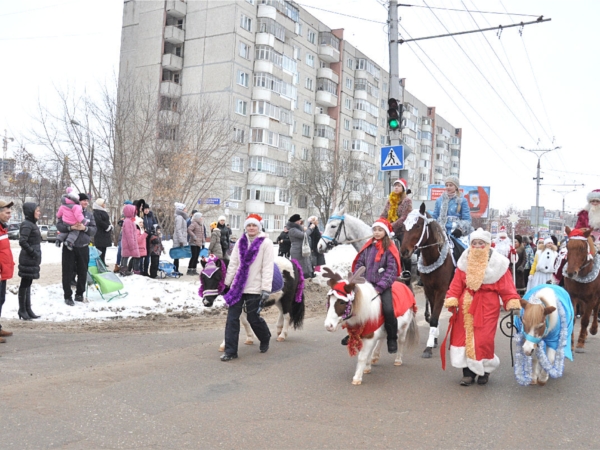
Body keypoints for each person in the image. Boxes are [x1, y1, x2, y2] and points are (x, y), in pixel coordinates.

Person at [443, 228, 521, 386]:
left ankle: (485, 370)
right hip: (466, 305)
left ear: (487, 244)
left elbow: (506, 286)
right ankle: (468, 373)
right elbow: (457, 284)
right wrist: (452, 297)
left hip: (488, 306)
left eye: (481, 243)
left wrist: (511, 300)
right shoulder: (464, 261)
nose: (477, 246)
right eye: (474, 243)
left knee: (484, 339)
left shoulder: (499, 264)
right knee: (463, 338)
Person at [221, 213, 273, 361]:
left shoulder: (266, 243)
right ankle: (230, 351)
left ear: (259, 227)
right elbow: (233, 264)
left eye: (254, 225)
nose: (251, 228)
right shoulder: (240, 242)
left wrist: (265, 288)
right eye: (249, 225)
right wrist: (226, 284)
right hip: (237, 287)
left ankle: (265, 337)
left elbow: (267, 267)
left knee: (252, 317)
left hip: (255, 287)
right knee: (232, 318)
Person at [352, 218, 402, 353]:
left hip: (382, 286)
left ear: (385, 232)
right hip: (366, 284)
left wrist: (380, 287)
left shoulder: (390, 248)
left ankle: (392, 338)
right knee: (353, 304)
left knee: (388, 310)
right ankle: (353, 334)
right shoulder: (368, 247)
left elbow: (391, 270)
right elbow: (360, 263)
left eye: (380, 230)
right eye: (375, 230)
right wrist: (357, 277)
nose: (377, 232)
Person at [56, 193, 96, 305]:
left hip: (83, 247)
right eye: (83, 200)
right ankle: (67, 296)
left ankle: (79, 294)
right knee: (67, 271)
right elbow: (59, 225)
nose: (86, 203)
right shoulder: (67, 210)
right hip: (69, 247)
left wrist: (85, 228)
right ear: (78, 201)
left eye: (87, 201)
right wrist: (70, 227)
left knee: (82, 271)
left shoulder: (89, 215)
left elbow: (94, 230)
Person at [432, 176, 471, 262]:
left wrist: (460, 229)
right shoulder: (439, 200)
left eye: (451, 185)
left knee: (464, 250)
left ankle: (461, 268)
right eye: (446, 185)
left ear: (456, 187)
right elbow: (434, 216)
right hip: (440, 229)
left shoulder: (462, 201)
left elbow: (467, 219)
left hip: (454, 231)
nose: (448, 187)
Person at [380, 178, 413, 274]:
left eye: (398, 186)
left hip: (402, 230)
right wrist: (379, 223)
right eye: (395, 186)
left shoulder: (407, 201)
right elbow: (384, 214)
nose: (396, 187)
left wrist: (391, 226)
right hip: (389, 230)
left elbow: (404, 217)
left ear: (403, 188)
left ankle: (407, 273)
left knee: (405, 252)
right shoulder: (390, 200)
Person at [17, 202, 42, 320]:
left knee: (28, 283)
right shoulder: (27, 224)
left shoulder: (32, 224)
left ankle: (27, 309)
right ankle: (22, 309)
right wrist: (33, 252)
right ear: (31, 212)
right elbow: (22, 241)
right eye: (37, 211)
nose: (39, 213)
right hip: (28, 258)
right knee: (25, 283)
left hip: (32, 259)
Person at [0, 200, 15, 342]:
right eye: (7, 212)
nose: (9, 215)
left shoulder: (2, 229)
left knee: (1, 300)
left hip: (2, 272)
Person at [287, 213, 314, 278]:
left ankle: (306, 277)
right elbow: (303, 235)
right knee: (299, 267)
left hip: (301, 249)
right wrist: (310, 228)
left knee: (305, 264)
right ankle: (300, 279)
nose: (300, 222)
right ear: (295, 221)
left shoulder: (297, 229)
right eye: (299, 220)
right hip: (297, 251)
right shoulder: (293, 230)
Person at [119, 204, 140, 276]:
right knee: (125, 256)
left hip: (127, 242)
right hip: (128, 242)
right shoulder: (128, 221)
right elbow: (129, 234)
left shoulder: (129, 220)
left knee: (125, 256)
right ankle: (124, 270)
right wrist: (132, 244)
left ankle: (123, 269)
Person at [92, 198, 112, 265]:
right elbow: (99, 221)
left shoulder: (103, 211)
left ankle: (103, 261)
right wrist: (106, 227)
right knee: (99, 249)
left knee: (104, 248)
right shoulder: (96, 212)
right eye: (103, 203)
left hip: (105, 233)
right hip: (100, 233)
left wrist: (110, 226)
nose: (104, 204)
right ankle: (99, 263)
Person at [141, 203, 158, 276]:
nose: (146, 210)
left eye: (147, 209)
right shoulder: (141, 217)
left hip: (150, 237)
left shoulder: (151, 216)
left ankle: (146, 270)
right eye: (145, 209)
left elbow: (155, 225)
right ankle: (141, 270)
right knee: (142, 254)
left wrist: (153, 232)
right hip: (143, 236)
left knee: (148, 254)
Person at [172, 202, 189, 274]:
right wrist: (181, 240)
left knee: (178, 256)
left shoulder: (182, 217)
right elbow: (178, 229)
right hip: (178, 240)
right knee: (177, 255)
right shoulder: (179, 217)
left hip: (179, 239)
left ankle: (176, 270)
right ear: (181, 210)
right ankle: (175, 270)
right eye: (185, 208)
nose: (186, 210)